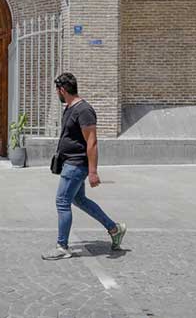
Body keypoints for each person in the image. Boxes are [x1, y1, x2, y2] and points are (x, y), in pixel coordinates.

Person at [42, 73, 126, 260]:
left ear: (62, 90)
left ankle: (62, 246)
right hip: (69, 163)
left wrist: (93, 171)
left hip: (76, 164)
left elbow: (92, 141)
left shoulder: (84, 110)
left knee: (62, 201)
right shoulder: (70, 108)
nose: (57, 94)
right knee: (79, 200)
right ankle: (114, 228)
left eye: (57, 90)